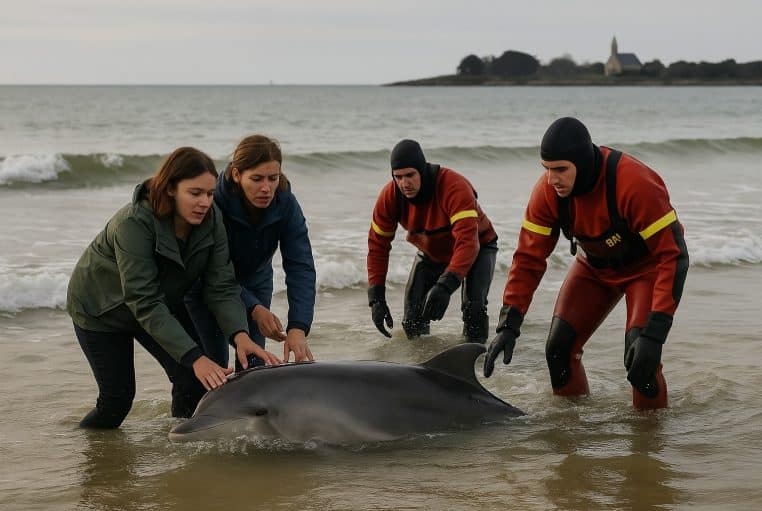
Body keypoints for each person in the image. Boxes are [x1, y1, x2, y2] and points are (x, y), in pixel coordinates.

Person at [67, 147, 282, 429]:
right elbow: (143, 300)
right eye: (195, 193)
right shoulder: (133, 222)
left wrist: (240, 335)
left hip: (159, 306)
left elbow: (221, 285)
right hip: (100, 310)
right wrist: (195, 356)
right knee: (116, 401)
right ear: (170, 188)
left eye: (209, 193)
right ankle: (87, 449)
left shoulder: (211, 219)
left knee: (194, 383)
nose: (205, 202)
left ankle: (180, 449)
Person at [483, 117, 688, 409]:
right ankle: (573, 434)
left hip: (646, 270)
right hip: (593, 268)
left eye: (560, 169)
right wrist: (508, 325)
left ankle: (650, 445)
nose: (552, 179)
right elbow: (529, 258)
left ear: (582, 162)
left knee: (641, 359)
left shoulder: (634, 183)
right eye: (546, 169)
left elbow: (674, 255)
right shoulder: (548, 192)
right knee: (558, 349)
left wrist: (655, 334)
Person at [185, 135, 315, 369]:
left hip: (256, 282)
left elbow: (300, 265)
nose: (266, 188)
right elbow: (209, 272)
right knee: (214, 368)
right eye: (256, 179)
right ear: (237, 175)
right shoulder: (212, 204)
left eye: (273, 178)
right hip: (205, 287)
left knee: (253, 365)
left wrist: (298, 326)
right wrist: (253, 307)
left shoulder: (285, 203)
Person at [367, 139, 498, 342]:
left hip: (478, 247)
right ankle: (422, 367)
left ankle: (477, 364)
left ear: (422, 170)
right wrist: (376, 298)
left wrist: (445, 286)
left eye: (410, 175)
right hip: (432, 251)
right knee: (412, 318)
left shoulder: (454, 186)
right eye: (398, 177)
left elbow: (468, 243)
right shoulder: (390, 197)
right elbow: (378, 247)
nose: (404, 183)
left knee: (473, 309)